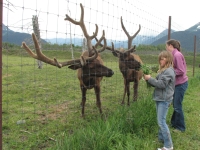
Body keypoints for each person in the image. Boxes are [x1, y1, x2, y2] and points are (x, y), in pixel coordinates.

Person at [143, 51, 175, 150]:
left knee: (161, 122)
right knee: (161, 120)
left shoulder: (169, 71)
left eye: (163, 58)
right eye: (160, 58)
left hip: (164, 100)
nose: (160, 60)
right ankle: (162, 139)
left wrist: (150, 79)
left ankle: (168, 146)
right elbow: (157, 83)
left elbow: (162, 84)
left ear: (168, 59)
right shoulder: (163, 71)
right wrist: (149, 79)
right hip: (160, 98)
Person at [165, 39, 188, 132]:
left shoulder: (177, 55)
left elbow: (181, 70)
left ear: (170, 46)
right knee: (176, 105)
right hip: (177, 84)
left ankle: (180, 127)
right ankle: (174, 123)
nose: (166, 48)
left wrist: (169, 72)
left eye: (166, 46)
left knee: (177, 106)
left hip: (180, 84)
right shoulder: (174, 54)